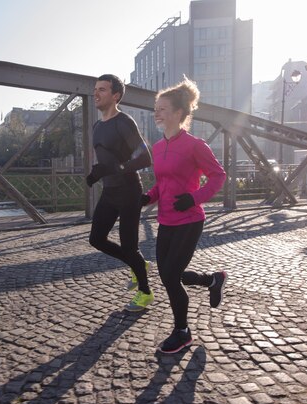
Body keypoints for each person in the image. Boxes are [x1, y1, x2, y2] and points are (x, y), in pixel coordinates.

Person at [141, 77, 227, 353]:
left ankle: (182, 331)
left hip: (190, 221)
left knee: (168, 275)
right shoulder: (157, 147)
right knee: (170, 274)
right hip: (165, 220)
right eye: (156, 107)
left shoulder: (194, 145)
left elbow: (218, 176)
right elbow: (162, 183)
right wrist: (148, 197)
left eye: (162, 108)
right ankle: (211, 280)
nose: (157, 112)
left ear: (178, 113)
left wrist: (194, 197)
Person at [86, 74, 153, 312]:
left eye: (102, 89)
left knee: (129, 246)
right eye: (95, 89)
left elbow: (146, 157)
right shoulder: (97, 126)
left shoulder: (124, 122)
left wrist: (118, 168)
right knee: (96, 239)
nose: (96, 93)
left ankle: (145, 292)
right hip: (110, 190)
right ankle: (139, 265)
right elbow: (107, 158)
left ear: (115, 96)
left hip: (128, 191)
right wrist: (98, 172)